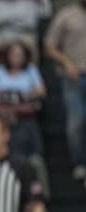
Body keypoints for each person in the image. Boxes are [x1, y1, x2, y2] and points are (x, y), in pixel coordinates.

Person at [44, 0, 86, 180]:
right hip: (73, 77)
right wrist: (66, 63)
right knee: (76, 122)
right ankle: (79, 163)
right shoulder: (66, 16)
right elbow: (49, 46)